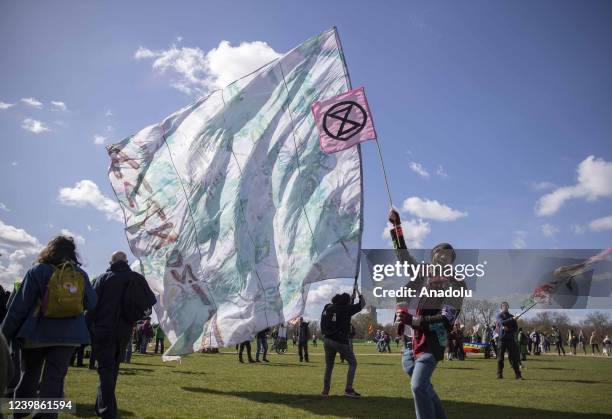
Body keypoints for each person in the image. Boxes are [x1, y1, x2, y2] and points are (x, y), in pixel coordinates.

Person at [1, 235, 96, 418]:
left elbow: (19, 307)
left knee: (28, 376)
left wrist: (5, 334)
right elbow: (91, 302)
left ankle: (19, 414)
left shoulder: (37, 271)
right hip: (69, 337)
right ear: (73, 253)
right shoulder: (80, 275)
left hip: (36, 334)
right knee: (54, 379)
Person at [390, 208, 465, 419]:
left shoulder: (457, 284)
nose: (441, 259)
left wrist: (413, 320)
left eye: (446, 257)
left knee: (418, 386)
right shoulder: (422, 274)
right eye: (437, 256)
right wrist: (396, 227)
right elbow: (402, 256)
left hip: (432, 341)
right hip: (409, 343)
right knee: (422, 385)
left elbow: (447, 320)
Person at [86, 251, 141, 419]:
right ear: (126, 261)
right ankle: (101, 406)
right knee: (112, 369)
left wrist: (86, 326)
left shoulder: (103, 279)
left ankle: (107, 412)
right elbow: (145, 302)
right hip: (124, 330)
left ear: (111, 262)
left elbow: (91, 306)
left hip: (104, 329)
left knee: (105, 370)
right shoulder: (135, 279)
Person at [321, 290, 365, 398]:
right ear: (346, 302)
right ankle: (348, 389)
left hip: (327, 340)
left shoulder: (327, 307)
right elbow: (361, 305)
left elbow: (343, 309)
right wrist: (359, 295)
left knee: (329, 366)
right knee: (353, 363)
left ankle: (325, 391)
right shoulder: (346, 309)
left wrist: (351, 299)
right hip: (340, 340)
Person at [495, 302, 522, 379]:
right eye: (503, 306)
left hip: (511, 339)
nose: (505, 307)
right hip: (502, 339)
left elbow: (515, 328)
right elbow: (501, 322)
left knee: (514, 358)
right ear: (501, 308)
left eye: (506, 306)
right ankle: (499, 374)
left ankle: (518, 375)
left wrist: (509, 329)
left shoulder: (512, 316)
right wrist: (512, 319)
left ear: (508, 307)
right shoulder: (499, 316)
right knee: (500, 358)